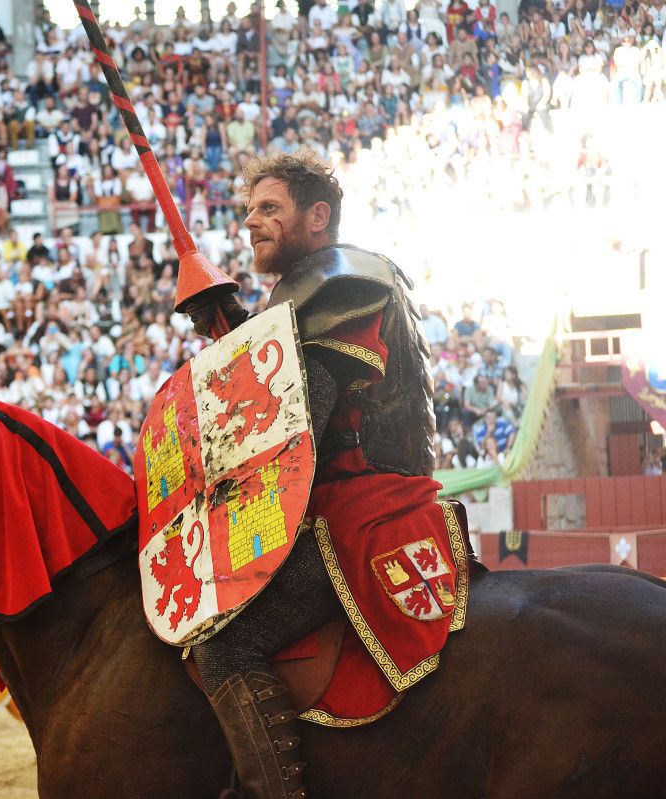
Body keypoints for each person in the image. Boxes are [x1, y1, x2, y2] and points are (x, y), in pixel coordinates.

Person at [184, 149, 449, 799]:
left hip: (358, 506)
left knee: (223, 642)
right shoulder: (304, 288)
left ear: (317, 216)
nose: (251, 222)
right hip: (338, 495)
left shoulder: (338, 281)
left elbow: (297, 420)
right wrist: (229, 328)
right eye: (249, 211)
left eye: (269, 209)